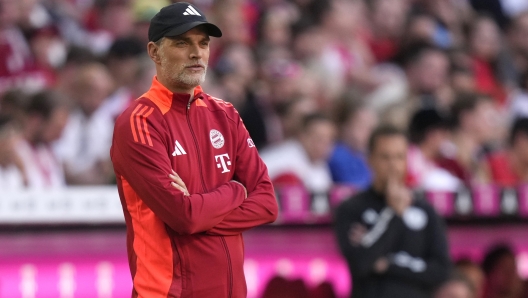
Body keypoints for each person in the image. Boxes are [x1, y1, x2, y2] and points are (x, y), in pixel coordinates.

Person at [109, 3, 278, 298]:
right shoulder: (138, 122)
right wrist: (236, 191)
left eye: (203, 43)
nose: (196, 53)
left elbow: (267, 204)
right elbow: (184, 217)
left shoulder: (225, 114)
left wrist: (200, 213)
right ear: (154, 52)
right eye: (182, 43)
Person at [334, 125, 451, 298]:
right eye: (385, 157)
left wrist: (388, 265)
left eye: (399, 157)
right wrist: (394, 214)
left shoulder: (425, 209)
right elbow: (362, 263)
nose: (393, 165)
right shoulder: (351, 208)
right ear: (370, 159)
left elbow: (442, 272)